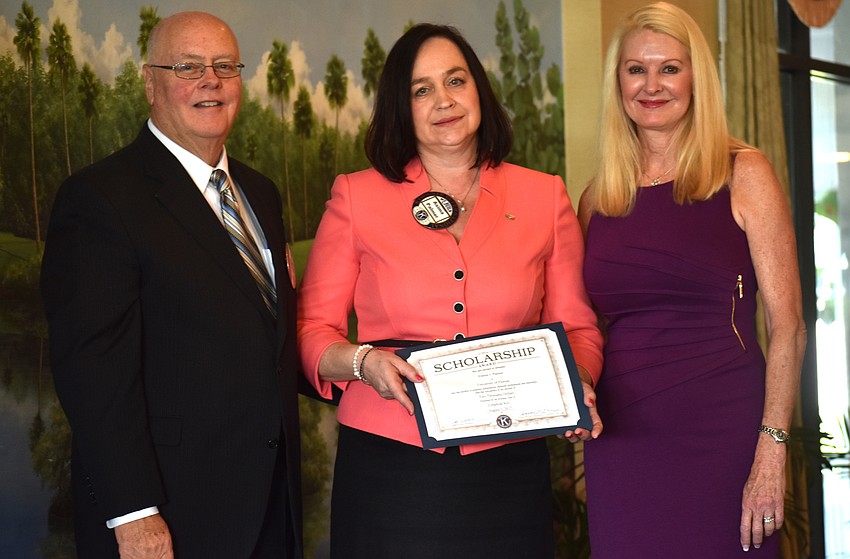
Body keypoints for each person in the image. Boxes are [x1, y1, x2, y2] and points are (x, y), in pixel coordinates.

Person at [297, 23, 603, 559]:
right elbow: (311, 332)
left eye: (455, 80)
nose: (444, 100)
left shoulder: (543, 196)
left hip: (510, 463)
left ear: (478, 89)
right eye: (422, 89)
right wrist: (364, 362)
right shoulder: (357, 197)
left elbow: (577, 326)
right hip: (390, 464)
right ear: (402, 106)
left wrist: (577, 380)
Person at [40, 11, 303, 559]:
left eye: (224, 66)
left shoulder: (261, 193)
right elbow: (93, 374)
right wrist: (133, 513)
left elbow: (268, 343)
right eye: (187, 66)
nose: (210, 79)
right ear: (149, 81)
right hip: (171, 518)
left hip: (273, 506)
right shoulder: (100, 199)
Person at [578, 2, 806, 557]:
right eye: (636, 69)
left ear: (697, 78)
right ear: (618, 82)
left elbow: (790, 325)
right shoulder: (595, 199)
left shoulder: (743, 173)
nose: (651, 85)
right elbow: (582, 325)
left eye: (669, 68)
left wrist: (772, 448)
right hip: (622, 441)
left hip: (723, 432)